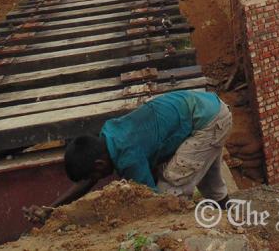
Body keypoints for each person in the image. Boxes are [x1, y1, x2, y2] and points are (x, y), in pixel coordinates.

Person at [25, 90, 233, 224]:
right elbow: (89, 179)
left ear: (99, 164)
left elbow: (154, 200)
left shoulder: (128, 157)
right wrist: (51, 208)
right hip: (208, 107)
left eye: (96, 174)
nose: (97, 178)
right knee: (210, 182)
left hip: (206, 122)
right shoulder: (110, 133)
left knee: (169, 190)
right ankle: (233, 221)